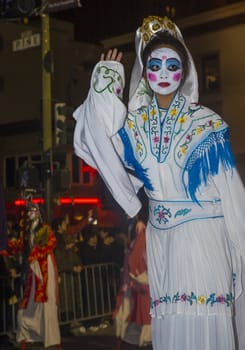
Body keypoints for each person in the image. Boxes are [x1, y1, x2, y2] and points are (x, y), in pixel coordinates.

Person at [73, 15, 245, 350]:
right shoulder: (135, 126)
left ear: (185, 70)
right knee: (171, 327)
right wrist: (104, 87)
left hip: (205, 240)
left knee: (206, 321)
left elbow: (234, 195)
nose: (164, 73)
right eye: (156, 65)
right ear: (145, 71)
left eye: (172, 64)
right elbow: (95, 145)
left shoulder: (208, 124)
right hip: (163, 242)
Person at [16, 203, 61, 349]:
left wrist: (36, 255)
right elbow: (22, 247)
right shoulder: (28, 230)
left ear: (39, 213)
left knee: (47, 304)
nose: (30, 212)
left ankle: (53, 339)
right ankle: (26, 336)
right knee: (29, 303)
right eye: (29, 210)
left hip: (44, 267)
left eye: (33, 210)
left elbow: (51, 244)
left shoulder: (45, 228)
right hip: (33, 268)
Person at [113, 219, 151, 347]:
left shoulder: (142, 242)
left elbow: (133, 263)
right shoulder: (136, 243)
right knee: (133, 314)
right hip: (134, 283)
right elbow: (132, 263)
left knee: (139, 315)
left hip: (138, 283)